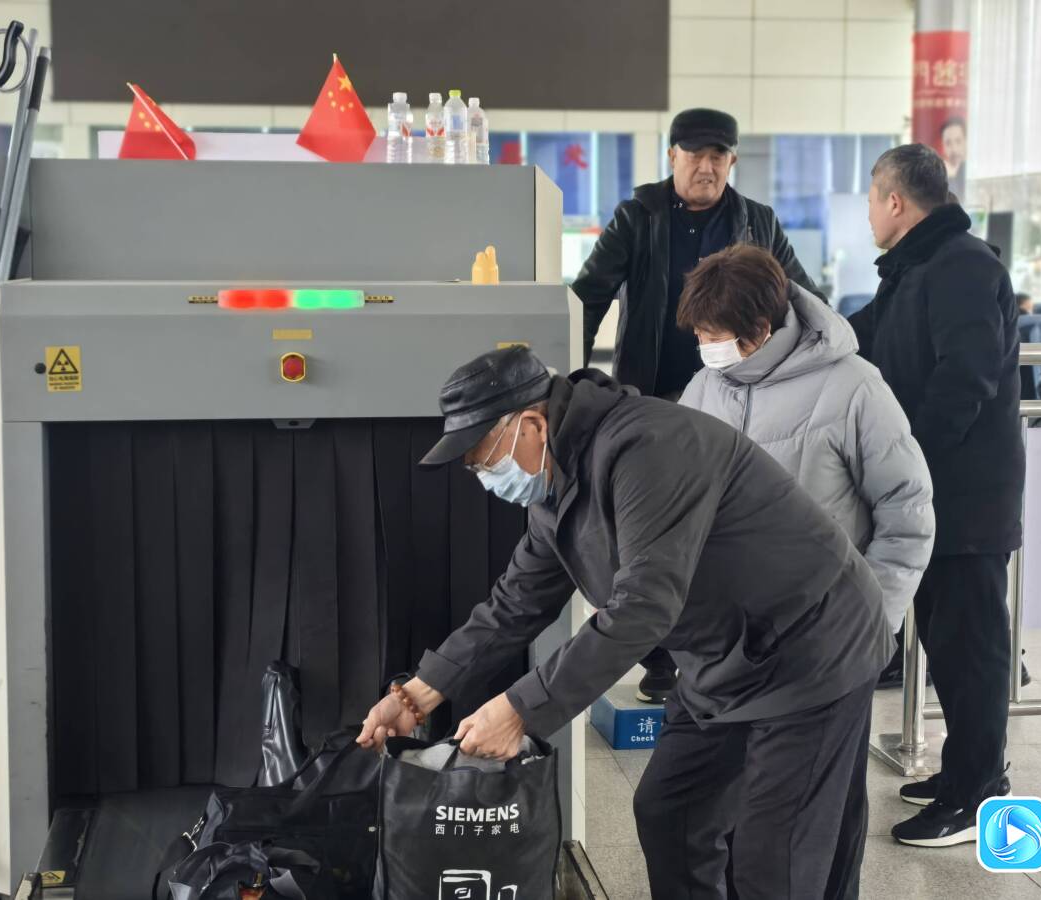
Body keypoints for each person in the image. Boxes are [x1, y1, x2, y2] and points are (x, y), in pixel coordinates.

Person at [356, 345, 893, 899]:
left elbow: (642, 608)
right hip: (723, 658)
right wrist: (416, 696)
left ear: (532, 425)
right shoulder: (556, 489)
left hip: (811, 647)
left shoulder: (648, 448)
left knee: (775, 859)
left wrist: (518, 710)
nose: (483, 476)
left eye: (482, 458)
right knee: (672, 813)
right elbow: (515, 603)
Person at [571, 107, 819, 703]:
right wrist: (573, 380)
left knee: (721, 531)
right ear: (672, 157)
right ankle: (659, 659)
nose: (706, 167)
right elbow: (589, 296)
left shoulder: (757, 222)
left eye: (718, 157)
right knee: (646, 536)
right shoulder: (638, 216)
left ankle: (719, 656)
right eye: (695, 155)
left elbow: (803, 297)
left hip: (735, 397)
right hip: (653, 400)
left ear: (732, 162)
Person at [849, 144, 1024, 847]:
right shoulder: (914, 269)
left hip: (964, 498)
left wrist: (908, 464)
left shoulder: (964, 266)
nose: (869, 213)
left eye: (871, 199)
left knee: (971, 648)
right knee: (949, 647)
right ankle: (967, 771)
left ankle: (977, 793)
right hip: (930, 497)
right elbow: (858, 339)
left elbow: (966, 378)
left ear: (895, 201)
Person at [677, 243, 935, 631]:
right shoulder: (703, 388)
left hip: (825, 628)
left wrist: (870, 622)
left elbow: (906, 509)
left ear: (760, 329)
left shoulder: (853, 387)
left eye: (714, 337)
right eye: (699, 335)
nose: (704, 348)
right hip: (726, 631)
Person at [939, 117, 966, 194]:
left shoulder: (972, 169)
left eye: (958, 141)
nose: (954, 149)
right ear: (943, 145)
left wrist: (951, 178)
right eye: (948, 143)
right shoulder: (939, 173)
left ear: (965, 141)